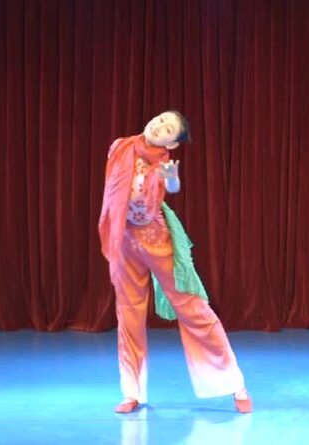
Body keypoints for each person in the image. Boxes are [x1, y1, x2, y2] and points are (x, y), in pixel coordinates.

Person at [98, 110, 252, 414]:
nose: (159, 125)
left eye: (168, 127)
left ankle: (234, 384)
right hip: (124, 240)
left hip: (157, 240)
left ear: (172, 143)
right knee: (128, 315)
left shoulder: (165, 165)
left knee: (193, 308)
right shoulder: (121, 147)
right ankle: (131, 392)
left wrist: (171, 178)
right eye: (160, 119)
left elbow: (172, 188)